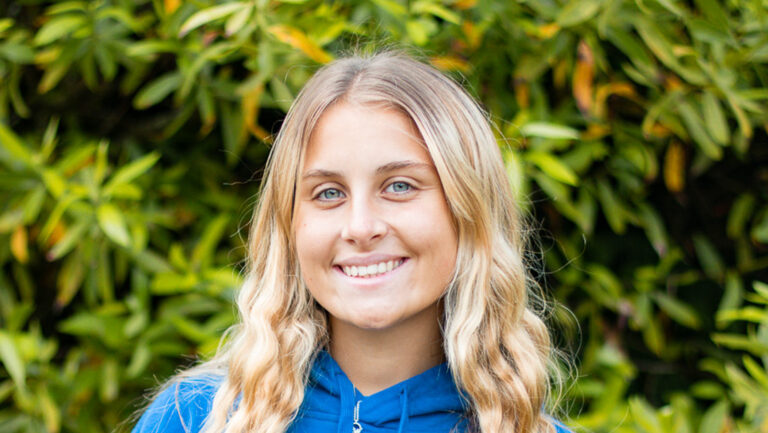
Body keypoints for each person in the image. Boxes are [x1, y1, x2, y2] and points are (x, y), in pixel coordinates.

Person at [131, 51, 571, 433]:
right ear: (289, 225)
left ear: (468, 210)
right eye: (329, 193)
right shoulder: (194, 419)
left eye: (399, 186)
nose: (360, 227)